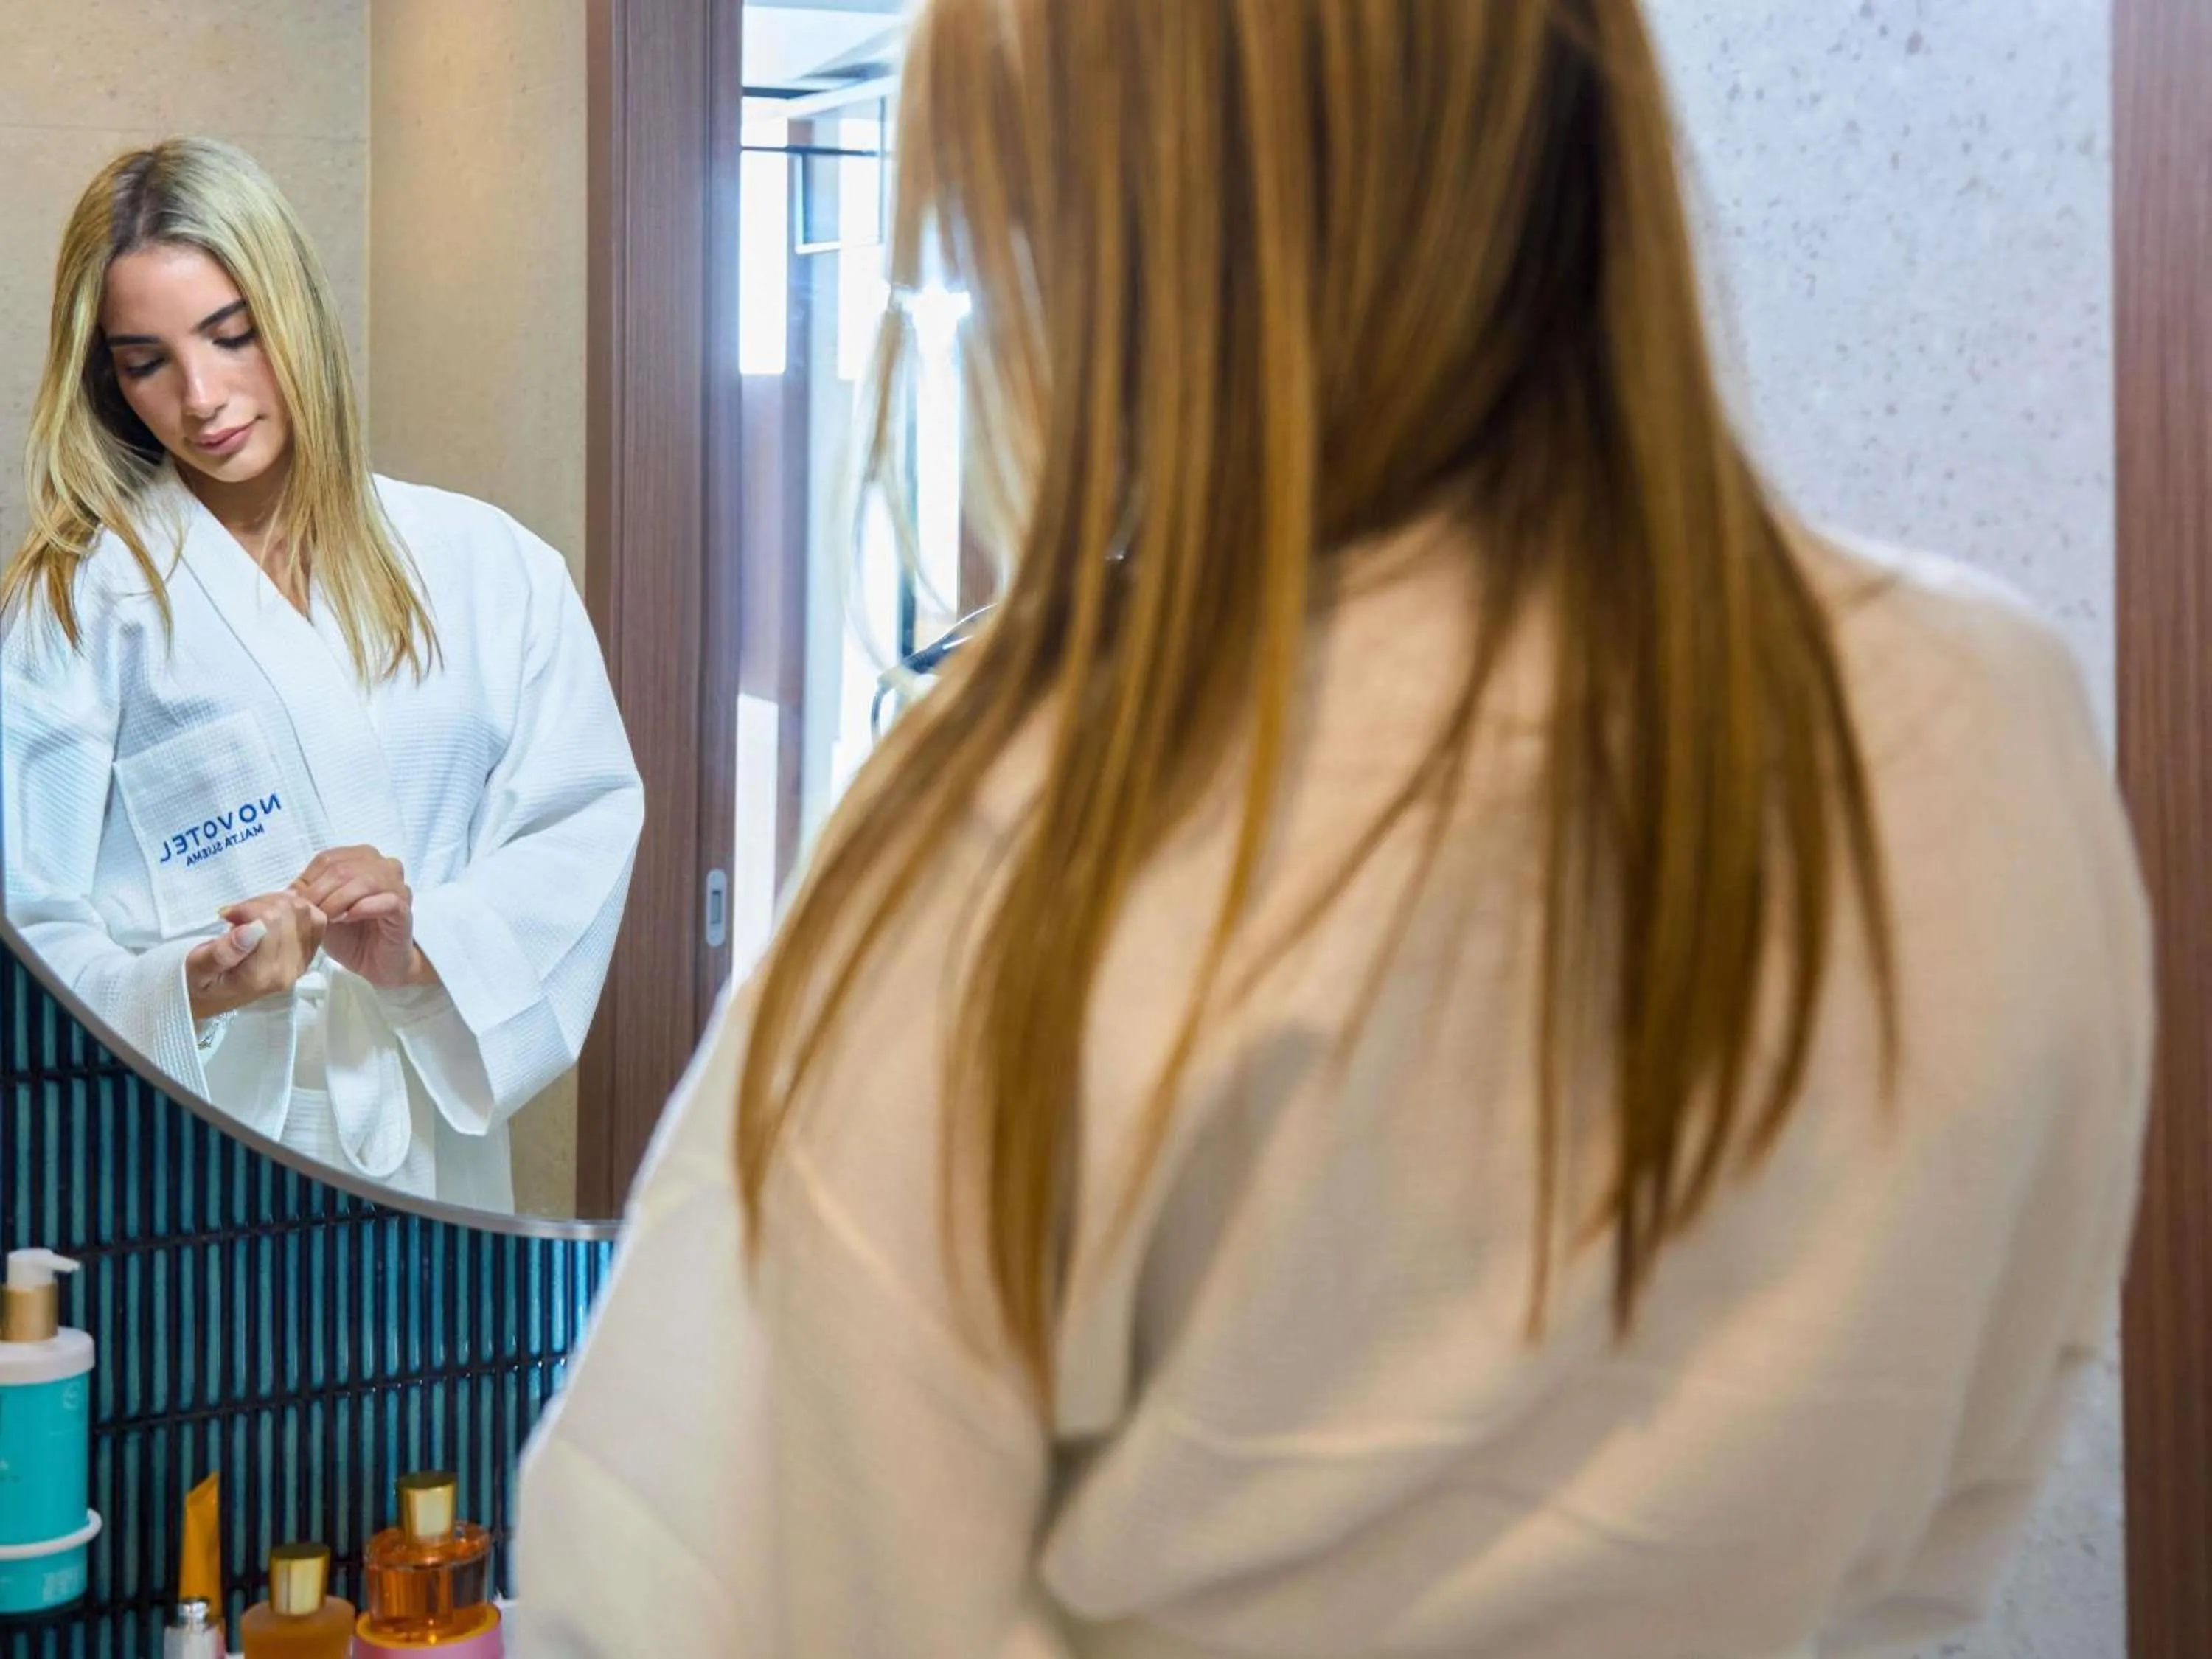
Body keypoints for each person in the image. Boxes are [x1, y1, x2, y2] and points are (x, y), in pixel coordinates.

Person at [515, 0, 2152, 1652]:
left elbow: (705, 1601)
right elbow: (1978, 1467)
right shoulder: (1980, 718)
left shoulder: (1055, 819)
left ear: (1107, 239)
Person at [1, 139, 644, 1214]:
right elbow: (25, 910)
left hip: (425, 1134)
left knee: (440, 1379)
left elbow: (577, 826)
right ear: (108, 378)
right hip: (189, 1147)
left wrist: (418, 945)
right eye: (146, 360)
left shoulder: (491, 567)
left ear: (292, 312)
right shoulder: (81, 600)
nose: (202, 397)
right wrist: (186, 986)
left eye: (232, 334)